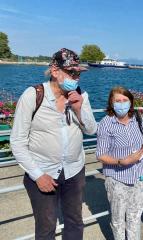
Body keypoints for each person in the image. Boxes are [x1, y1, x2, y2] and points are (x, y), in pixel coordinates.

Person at [10, 48, 97, 239]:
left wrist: (79, 109)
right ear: (55, 71)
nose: (76, 77)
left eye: (78, 73)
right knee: (46, 226)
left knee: (75, 222)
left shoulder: (81, 96)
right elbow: (17, 142)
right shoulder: (33, 96)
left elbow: (91, 130)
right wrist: (38, 175)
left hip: (74, 171)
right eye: (71, 72)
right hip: (43, 172)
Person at [96, 86, 143, 240]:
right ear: (111, 103)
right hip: (117, 179)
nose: (121, 104)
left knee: (135, 215)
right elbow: (100, 154)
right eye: (117, 100)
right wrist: (121, 161)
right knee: (118, 220)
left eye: (124, 100)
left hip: (137, 177)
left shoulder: (138, 118)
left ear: (130, 102)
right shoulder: (106, 123)